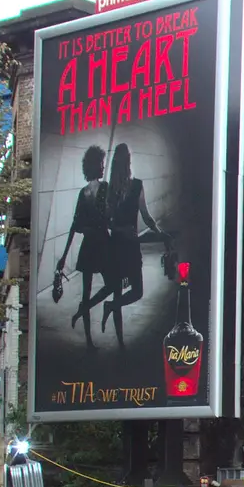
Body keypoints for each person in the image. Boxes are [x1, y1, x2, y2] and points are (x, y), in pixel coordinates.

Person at [99, 143, 163, 346]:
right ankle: (120, 339)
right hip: (125, 246)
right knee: (133, 291)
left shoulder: (120, 188)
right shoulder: (128, 187)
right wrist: (159, 232)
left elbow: (109, 219)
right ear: (128, 161)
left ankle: (111, 309)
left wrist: (159, 232)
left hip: (120, 246)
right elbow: (144, 215)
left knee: (130, 291)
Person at [54, 144, 112, 348]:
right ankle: (84, 317)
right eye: (102, 164)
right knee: (111, 284)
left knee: (87, 291)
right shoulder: (105, 188)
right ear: (96, 165)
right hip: (103, 243)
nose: (104, 167)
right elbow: (108, 217)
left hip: (89, 245)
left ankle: (84, 320)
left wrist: (63, 256)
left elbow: (74, 225)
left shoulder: (83, 193)